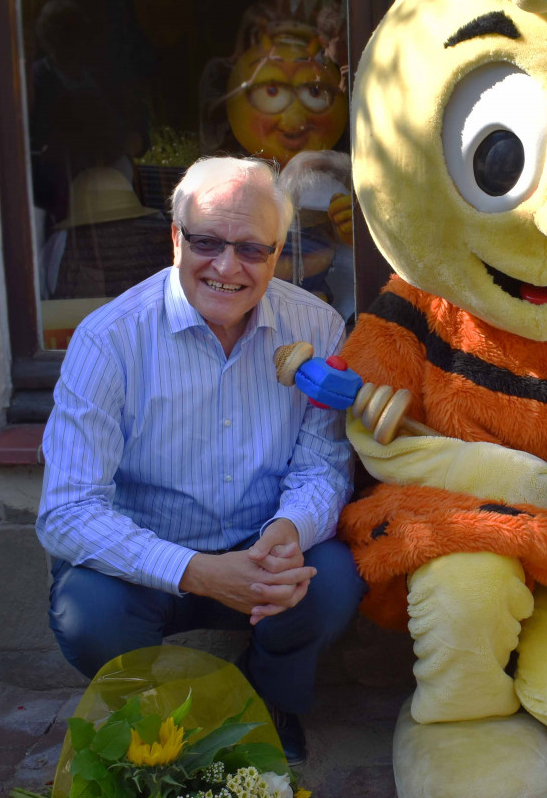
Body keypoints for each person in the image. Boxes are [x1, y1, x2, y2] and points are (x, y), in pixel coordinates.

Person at [37, 156, 364, 765]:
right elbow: (66, 511)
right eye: (207, 242)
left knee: (333, 580)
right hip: (146, 559)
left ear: (276, 252)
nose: (226, 267)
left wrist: (287, 532)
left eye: (251, 249)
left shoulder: (315, 326)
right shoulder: (108, 340)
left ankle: (268, 703)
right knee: (88, 614)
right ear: (175, 239)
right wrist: (196, 570)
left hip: (258, 542)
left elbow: (322, 464)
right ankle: (157, 723)